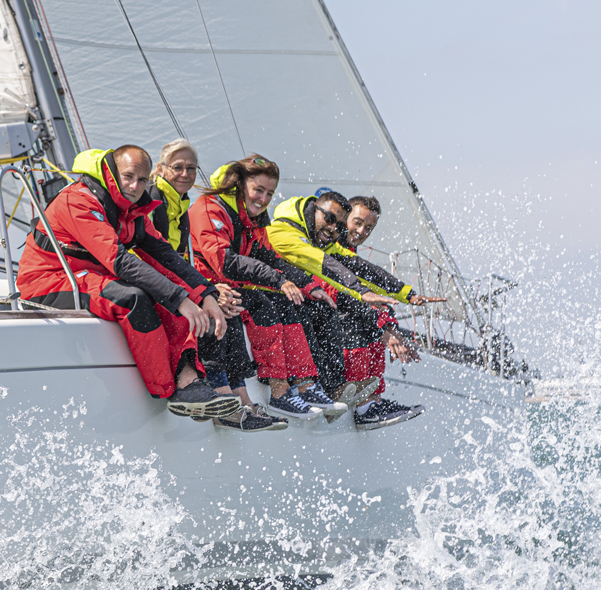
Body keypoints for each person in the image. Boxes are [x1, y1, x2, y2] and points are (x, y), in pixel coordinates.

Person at [16, 145, 239, 420]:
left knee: (164, 294)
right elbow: (119, 260)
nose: (135, 186)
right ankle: (166, 389)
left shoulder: (131, 207)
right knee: (135, 299)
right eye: (128, 176)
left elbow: (163, 254)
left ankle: (189, 386)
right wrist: (180, 299)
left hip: (90, 276)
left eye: (142, 180)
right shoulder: (79, 200)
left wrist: (206, 295)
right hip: (48, 280)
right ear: (112, 172)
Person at [190, 155, 348, 421]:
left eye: (269, 193)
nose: (263, 199)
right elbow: (224, 261)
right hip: (207, 285)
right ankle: (243, 393)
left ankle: (294, 388)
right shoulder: (209, 207)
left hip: (230, 287)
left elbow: (269, 257)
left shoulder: (255, 217)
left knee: (286, 303)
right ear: (241, 185)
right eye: (258, 190)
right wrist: (277, 281)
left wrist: (307, 285)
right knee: (246, 308)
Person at [268, 191, 441, 430]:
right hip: (304, 302)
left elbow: (365, 274)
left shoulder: (339, 245)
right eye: (357, 223)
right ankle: (359, 402)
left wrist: (405, 298)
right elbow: (331, 280)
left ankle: (370, 401)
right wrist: (379, 324)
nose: (361, 232)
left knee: (375, 323)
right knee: (361, 324)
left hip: (327, 303)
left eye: (369, 228)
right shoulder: (315, 239)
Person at [148, 140, 282, 431]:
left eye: (191, 168)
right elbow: (152, 256)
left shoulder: (179, 204)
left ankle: (241, 397)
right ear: (160, 169)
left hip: (181, 281)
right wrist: (204, 291)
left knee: (228, 307)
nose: (185, 173)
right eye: (178, 167)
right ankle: (220, 394)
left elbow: (176, 259)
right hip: (154, 283)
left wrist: (207, 290)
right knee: (213, 311)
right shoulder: (158, 199)